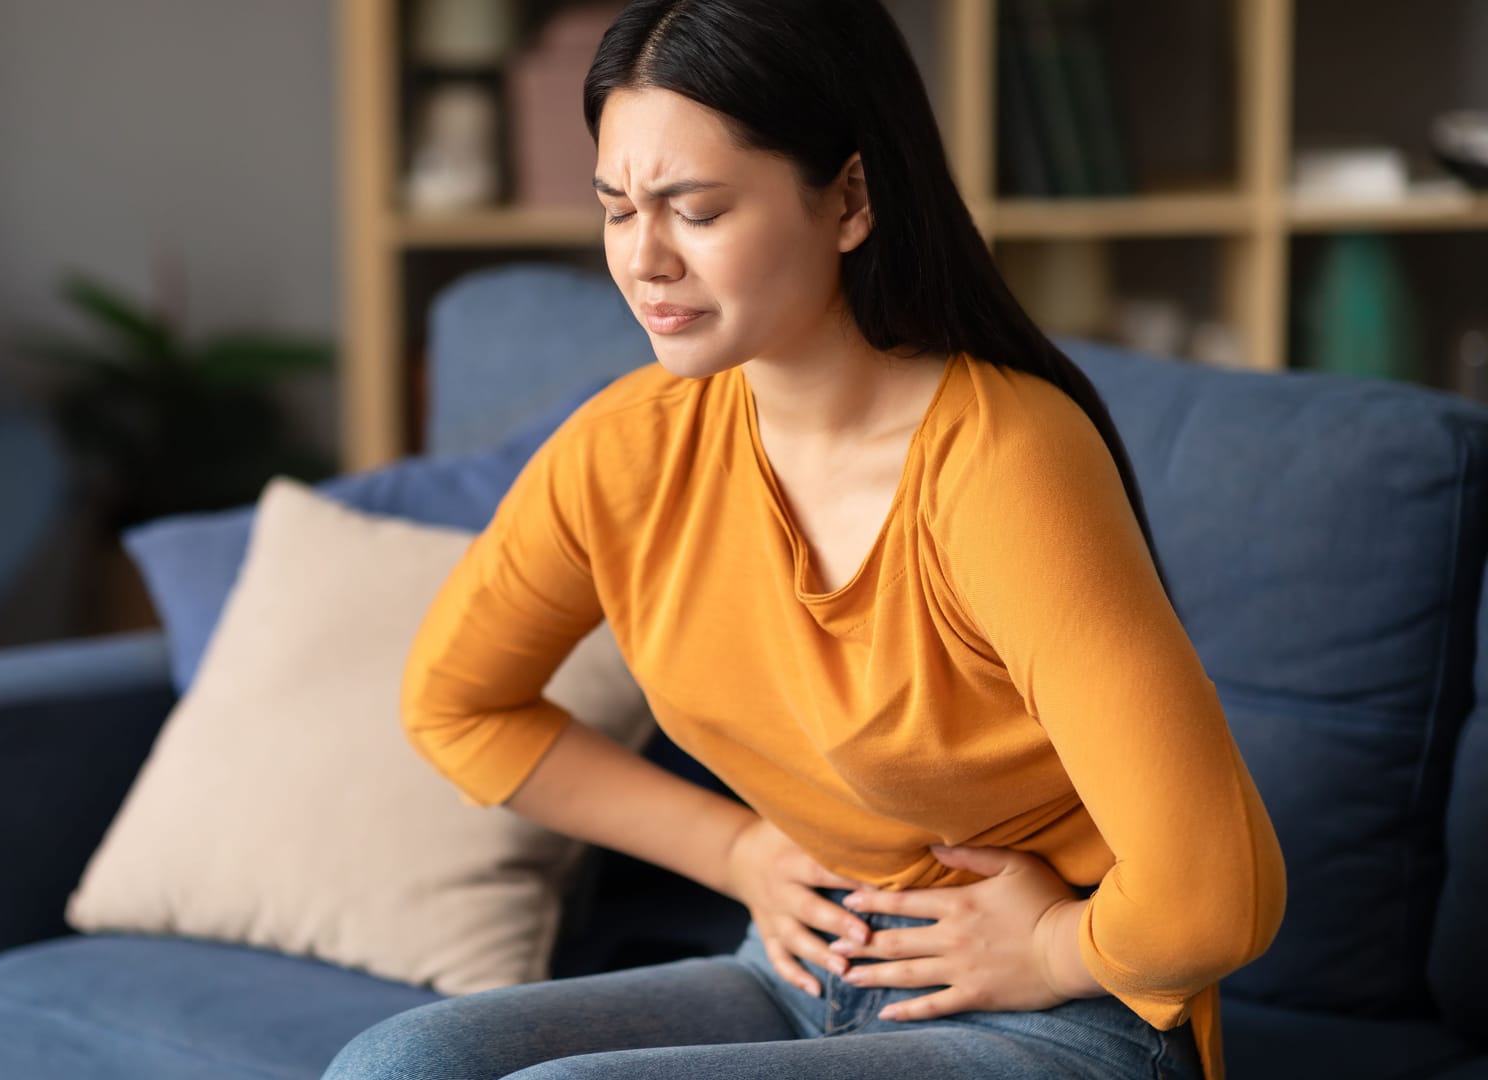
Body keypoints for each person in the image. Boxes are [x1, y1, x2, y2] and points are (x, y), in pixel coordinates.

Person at [323, 1, 1285, 1077]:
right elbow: (456, 704)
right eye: (615, 210)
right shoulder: (624, 449)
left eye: (695, 209)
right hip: (803, 970)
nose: (644, 260)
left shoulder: (1002, 461)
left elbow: (1217, 892)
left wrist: (1061, 946)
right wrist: (735, 849)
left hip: (1059, 1012)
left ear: (850, 199)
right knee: (398, 1065)